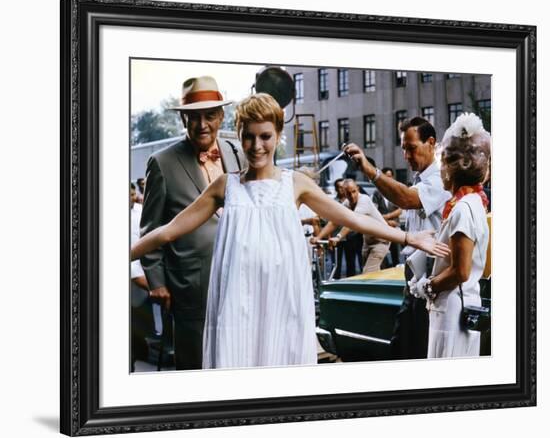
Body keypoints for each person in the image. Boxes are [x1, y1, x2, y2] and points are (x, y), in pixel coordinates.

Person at [132, 93, 449, 370]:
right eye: (248, 137)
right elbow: (168, 230)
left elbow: (353, 219)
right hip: (236, 302)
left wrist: (408, 237)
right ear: (238, 135)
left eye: (265, 137)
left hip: (283, 300)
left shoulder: (294, 183)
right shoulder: (224, 186)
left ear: (278, 134)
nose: (257, 146)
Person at [139, 75, 246, 370]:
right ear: (183, 119)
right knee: (195, 365)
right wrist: (157, 282)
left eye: (210, 116)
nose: (203, 125)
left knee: (235, 358)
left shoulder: (237, 152)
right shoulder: (161, 163)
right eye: (194, 117)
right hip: (189, 286)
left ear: (221, 116)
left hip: (240, 277)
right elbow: (150, 228)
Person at [344, 117, 452, 359]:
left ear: (431, 143)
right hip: (413, 280)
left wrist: (369, 170)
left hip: (431, 281)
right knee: (402, 348)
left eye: (411, 147)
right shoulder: (420, 180)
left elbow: (405, 199)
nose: (406, 155)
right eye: (403, 148)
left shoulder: (440, 180)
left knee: (418, 350)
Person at [410, 113, 490, 358]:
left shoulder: (463, 209)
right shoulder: (473, 202)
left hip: (453, 309)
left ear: (455, 168)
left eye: (442, 162)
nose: (441, 169)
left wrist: (428, 286)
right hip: (458, 306)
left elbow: (461, 271)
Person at [312, 179, 390, 274]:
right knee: (372, 273)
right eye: (349, 193)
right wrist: (318, 237)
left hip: (381, 240)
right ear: (344, 193)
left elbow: (352, 222)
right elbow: (334, 222)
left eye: (354, 192)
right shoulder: (347, 203)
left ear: (358, 189)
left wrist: (338, 237)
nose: (352, 196)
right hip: (368, 240)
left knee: (368, 273)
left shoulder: (364, 200)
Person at [371, 167, 403, 267]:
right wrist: (387, 221)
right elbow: (374, 211)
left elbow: (400, 209)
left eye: (390, 176)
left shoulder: (396, 191)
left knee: (395, 254)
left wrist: (388, 216)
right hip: (383, 227)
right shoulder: (377, 193)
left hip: (394, 227)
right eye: (386, 176)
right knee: (382, 254)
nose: (389, 178)